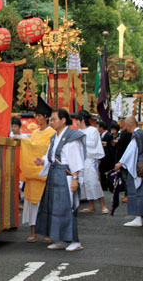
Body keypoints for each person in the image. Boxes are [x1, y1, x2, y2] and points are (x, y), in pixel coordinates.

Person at [34, 108, 85, 252]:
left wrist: (75, 178)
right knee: (55, 208)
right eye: (51, 119)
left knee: (68, 207)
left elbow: (76, 159)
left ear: (63, 120)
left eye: (54, 119)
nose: (51, 122)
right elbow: (51, 156)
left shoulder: (71, 137)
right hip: (54, 173)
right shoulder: (54, 137)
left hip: (66, 175)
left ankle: (75, 240)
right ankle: (61, 239)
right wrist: (42, 161)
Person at [19, 95, 54, 243]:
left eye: (39, 116)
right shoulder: (34, 133)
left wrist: (30, 147)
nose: (37, 118)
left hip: (43, 173)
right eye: (36, 116)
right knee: (32, 205)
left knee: (45, 205)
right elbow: (30, 149)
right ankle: (33, 232)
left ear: (46, 117)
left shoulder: (52, 133)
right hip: (32, 173)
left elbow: (44, 149)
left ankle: (47, 233)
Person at [114, 117, 143, 227]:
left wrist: (121, 163)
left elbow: (131, 150)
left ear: (129, 125)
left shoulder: (136, 136)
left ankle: (138, 217)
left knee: (136, 189)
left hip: (138, 165)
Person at [76, 110, 109, 214]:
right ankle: (91, 205)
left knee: (94, 182)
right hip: (81, 161)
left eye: (77, 120)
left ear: (82, 120)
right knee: (85, 183)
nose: (76, 123)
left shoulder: (92, 130)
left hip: (90, 159)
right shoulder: (78, 132)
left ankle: (103, 205)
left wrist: (83, 142)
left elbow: (93, 144)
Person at [98, 121, 116, 191]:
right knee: (102, 171)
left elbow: (111, 146)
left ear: (101, 127)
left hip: (108, 156)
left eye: (98, 126)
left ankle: (110, 185)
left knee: (108, 171)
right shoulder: (100, 135)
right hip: (102, 156)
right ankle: (103, 185)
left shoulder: (109, 135)